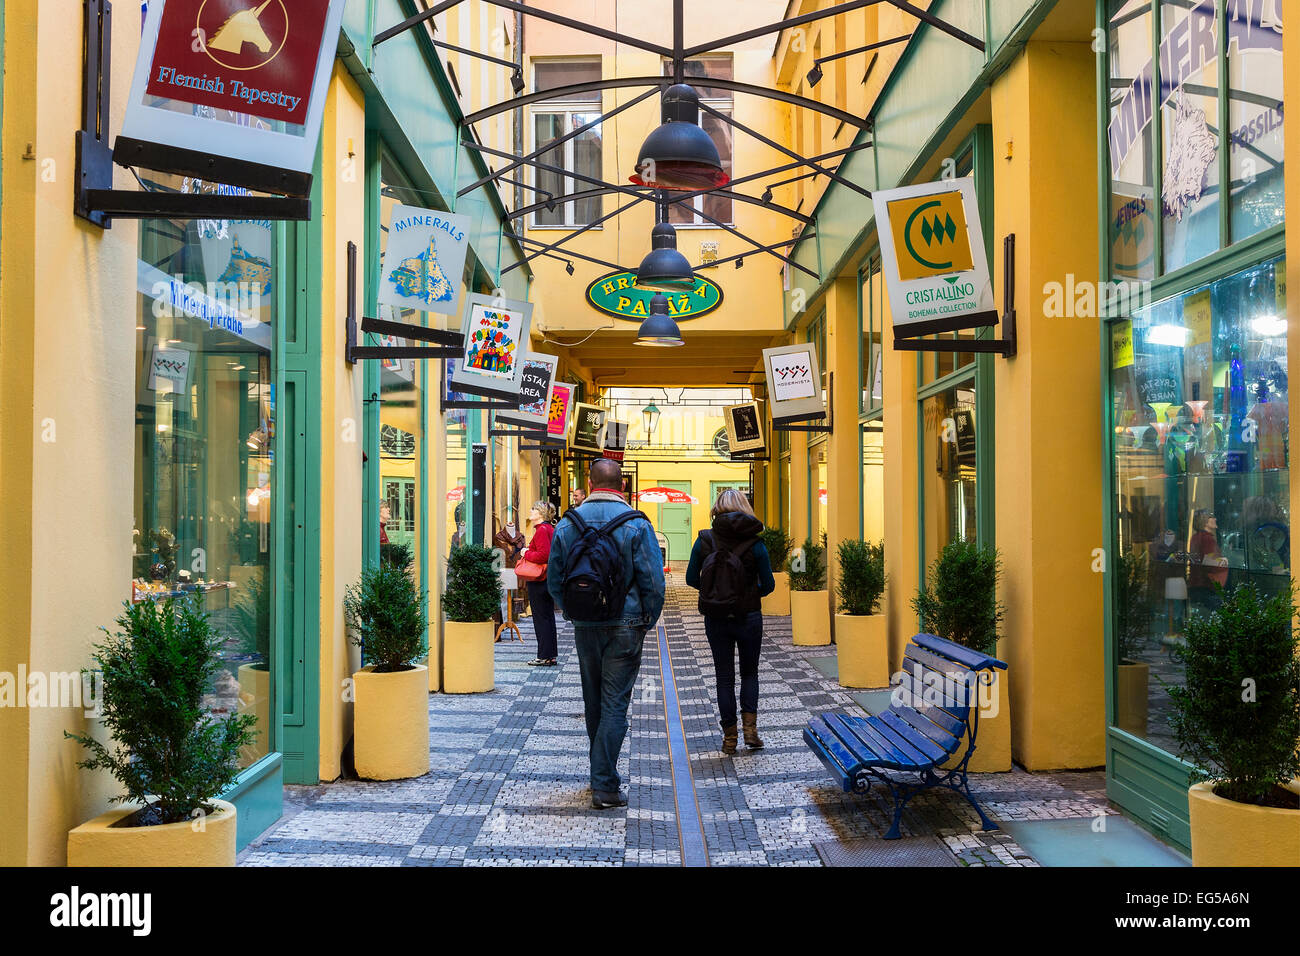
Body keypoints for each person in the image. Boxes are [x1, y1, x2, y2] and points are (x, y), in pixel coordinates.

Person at [548, 458, 665, 809]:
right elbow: (653, 582)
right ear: (623, 486)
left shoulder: (568, 524)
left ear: (590, 481)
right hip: (626, 626)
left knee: (594, 702)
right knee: (615, 702)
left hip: (586, 627)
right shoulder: (636, 524)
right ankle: (604, 784)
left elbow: (555, 580)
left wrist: (572, 611)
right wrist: (647, 619)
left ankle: (601, 777)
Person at [685, 489, 775, 755]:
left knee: (724, 677)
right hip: (749, 617)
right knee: (750, 673)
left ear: (716, 509)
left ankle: (730, 739)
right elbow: (768, 584)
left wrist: (715, 592)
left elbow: (691, 578)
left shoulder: (704, 540)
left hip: (717, 618)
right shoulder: (756, 543)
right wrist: (748, 594)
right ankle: (751, 732)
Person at [523, 500, 559, 666]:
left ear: (540, 514)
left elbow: (543, 555)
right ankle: (549, 654)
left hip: (539, 579)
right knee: (547, 617)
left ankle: (544, 656)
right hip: (546, 578)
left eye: (534, 509)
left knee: (541, 618)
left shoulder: (542, 530)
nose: (531, 511)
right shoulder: (548, 529)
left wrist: (526, 552)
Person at [1188, 509, 1228, 613]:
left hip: (1197, 585)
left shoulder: (1195, 537)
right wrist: (1225, 560)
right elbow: (1209, 561)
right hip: (1207, 587)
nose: (1215, 519)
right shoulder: (1207, 539)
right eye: (1211, 516)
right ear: (1205, 521)